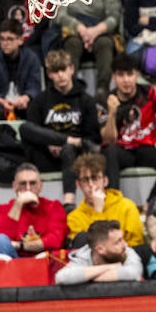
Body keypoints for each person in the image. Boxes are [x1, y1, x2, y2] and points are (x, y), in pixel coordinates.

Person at [21, 49, 100, 203]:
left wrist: (69, 143)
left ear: (71, 69)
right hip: (46, 155)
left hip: (76, 155)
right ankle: (66, 140)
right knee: (24, 128)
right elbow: (31, 130)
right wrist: (50, 143)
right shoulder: (40, 100)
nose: (60, 76)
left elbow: (93, 137)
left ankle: (68, 200)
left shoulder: (86, 100)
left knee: (69, 148)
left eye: (63, 70)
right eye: (55, 72)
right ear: (49, 74)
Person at [102, 53, 156, 194]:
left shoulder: (150, 92)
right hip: (121, 151)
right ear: (113, 77)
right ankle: (114, 200)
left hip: (146, 147)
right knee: (108, 151)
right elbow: (108, 139)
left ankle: (153, 201)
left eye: (130, 74)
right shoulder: (105, 99)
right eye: (121, 75)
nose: (126, 80)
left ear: (137, 75)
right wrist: (111, 113)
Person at [65, 152, 146, 250]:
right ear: (78, 184)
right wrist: (98, 211)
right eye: (85, 180)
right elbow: (87, 251)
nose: (91, 185)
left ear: (105, 181)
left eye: (95, 178)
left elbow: (137, 245)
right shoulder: (73, 218)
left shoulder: (127, 206)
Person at [0, 163, 69, 258]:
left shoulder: (54, 207)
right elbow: (2, 243)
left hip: (46, 263)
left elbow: (55, 241)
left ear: (40, 185)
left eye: (33, 183)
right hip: (15, 265)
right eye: (23, 183)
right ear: (14, 186)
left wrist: (20, 245)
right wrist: (18, 205)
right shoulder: (2, 210)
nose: (28, 188)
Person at [0, 19, 41, 122]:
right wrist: (1, 101)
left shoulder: (31, 58)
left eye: (10, 39)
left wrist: (25, 98)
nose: (5, 43)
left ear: (20, 40)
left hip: (23, 102)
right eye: (2, 39)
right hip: (1, 102)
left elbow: (35, 87)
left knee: (33, 110)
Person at [55, 218, 143, 286]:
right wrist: (109, 267)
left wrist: (87, 278)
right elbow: (61, 277)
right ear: (100, 249)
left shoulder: (126, 251)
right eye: (117, 242)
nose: (125, 245)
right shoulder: (83, 256)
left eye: (122, 239)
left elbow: (134, 273)